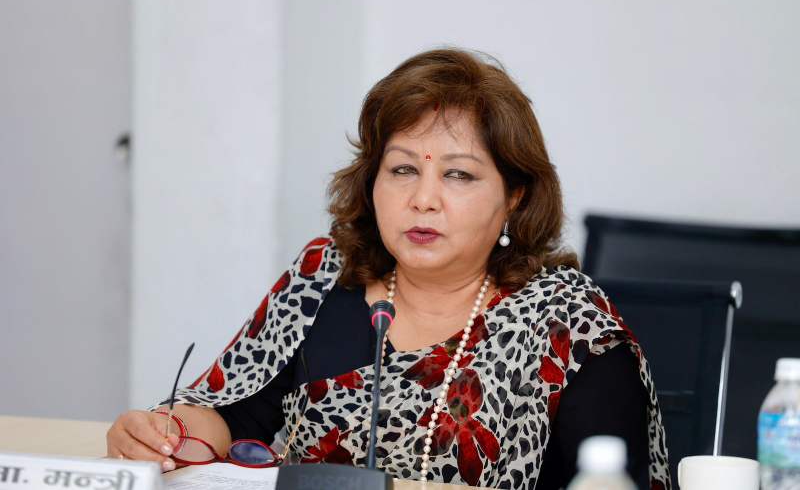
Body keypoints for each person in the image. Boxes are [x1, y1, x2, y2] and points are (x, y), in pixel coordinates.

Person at [106, 48, 670, 489]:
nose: (423, 200)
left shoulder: (569, 326)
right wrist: (165, 433)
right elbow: (235, 416)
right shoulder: (324, 275)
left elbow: (611, 479)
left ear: (514, 197)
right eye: (402, 170)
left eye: (458, 175)